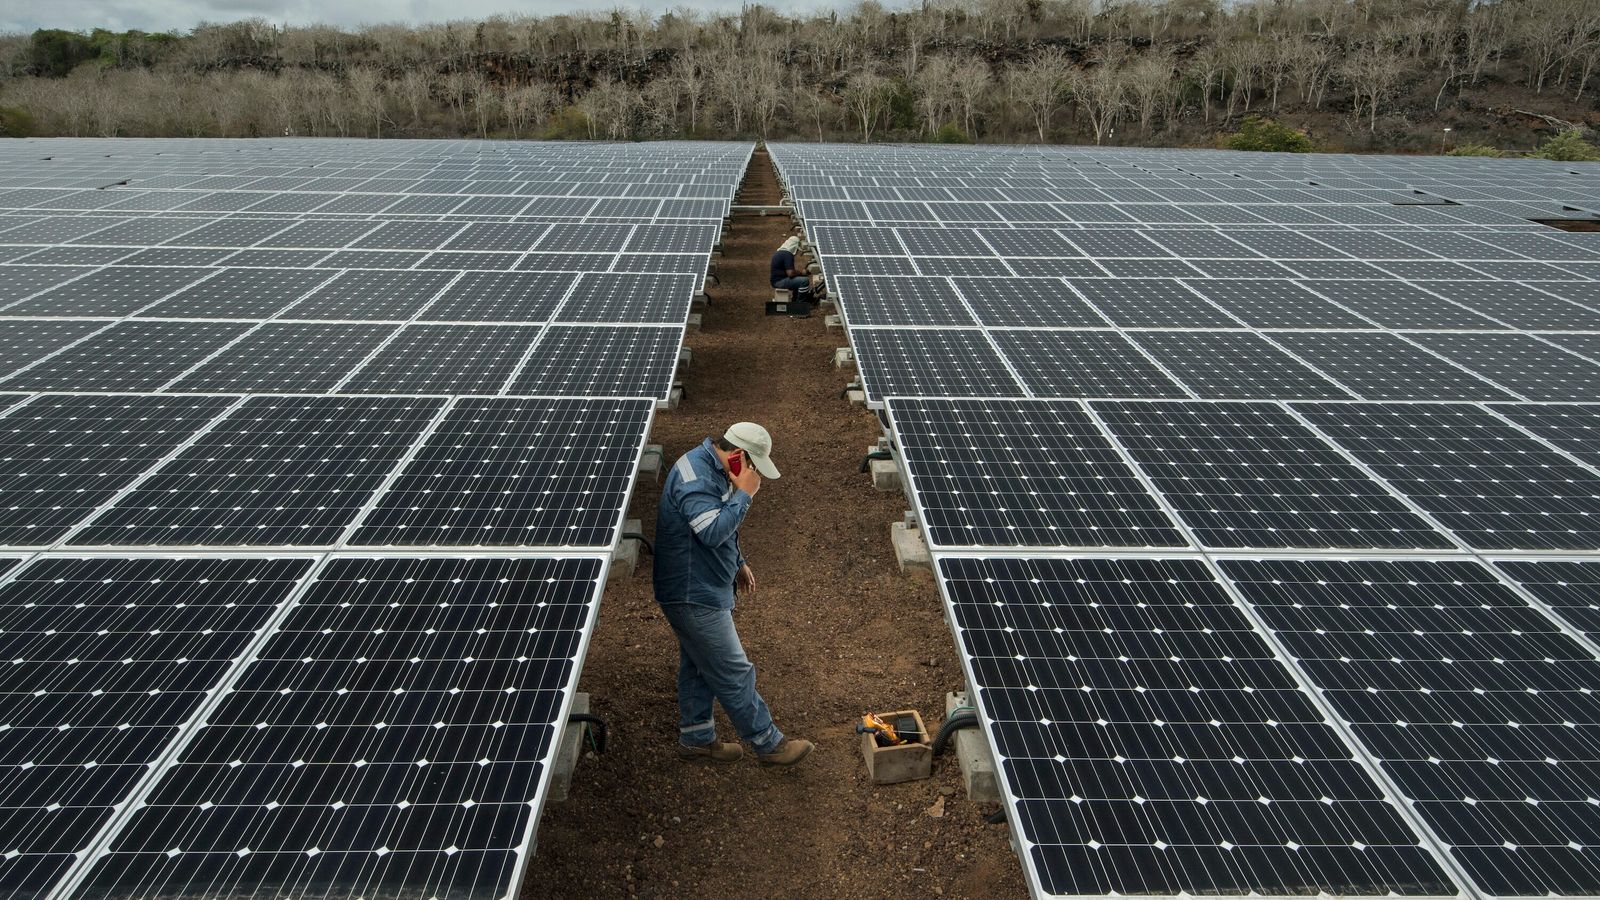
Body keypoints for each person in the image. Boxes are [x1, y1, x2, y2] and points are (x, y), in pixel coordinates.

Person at [652, 423, 813, 768]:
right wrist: (745, 495)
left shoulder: (712, 468)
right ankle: (769, 744)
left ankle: (697, 739)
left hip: (701, 585)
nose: (754, 475)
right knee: (734, 670)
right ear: (738, 456)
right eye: (754, 466)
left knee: (698, 664)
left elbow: (715, 522)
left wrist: (737, 562)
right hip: (692, 591)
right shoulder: (696, 478)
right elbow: (710, 532)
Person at [770, 235, 814, 301]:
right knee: (804, 281)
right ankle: (800, 304)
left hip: (776, 280)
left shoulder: (779, 252)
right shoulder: (787, 255)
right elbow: (790, 273)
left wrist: (799, 273)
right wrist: (802, 272)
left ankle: (795, 300)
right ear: (794, 247)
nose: (796, 252)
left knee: (798, 280)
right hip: (779, 281)